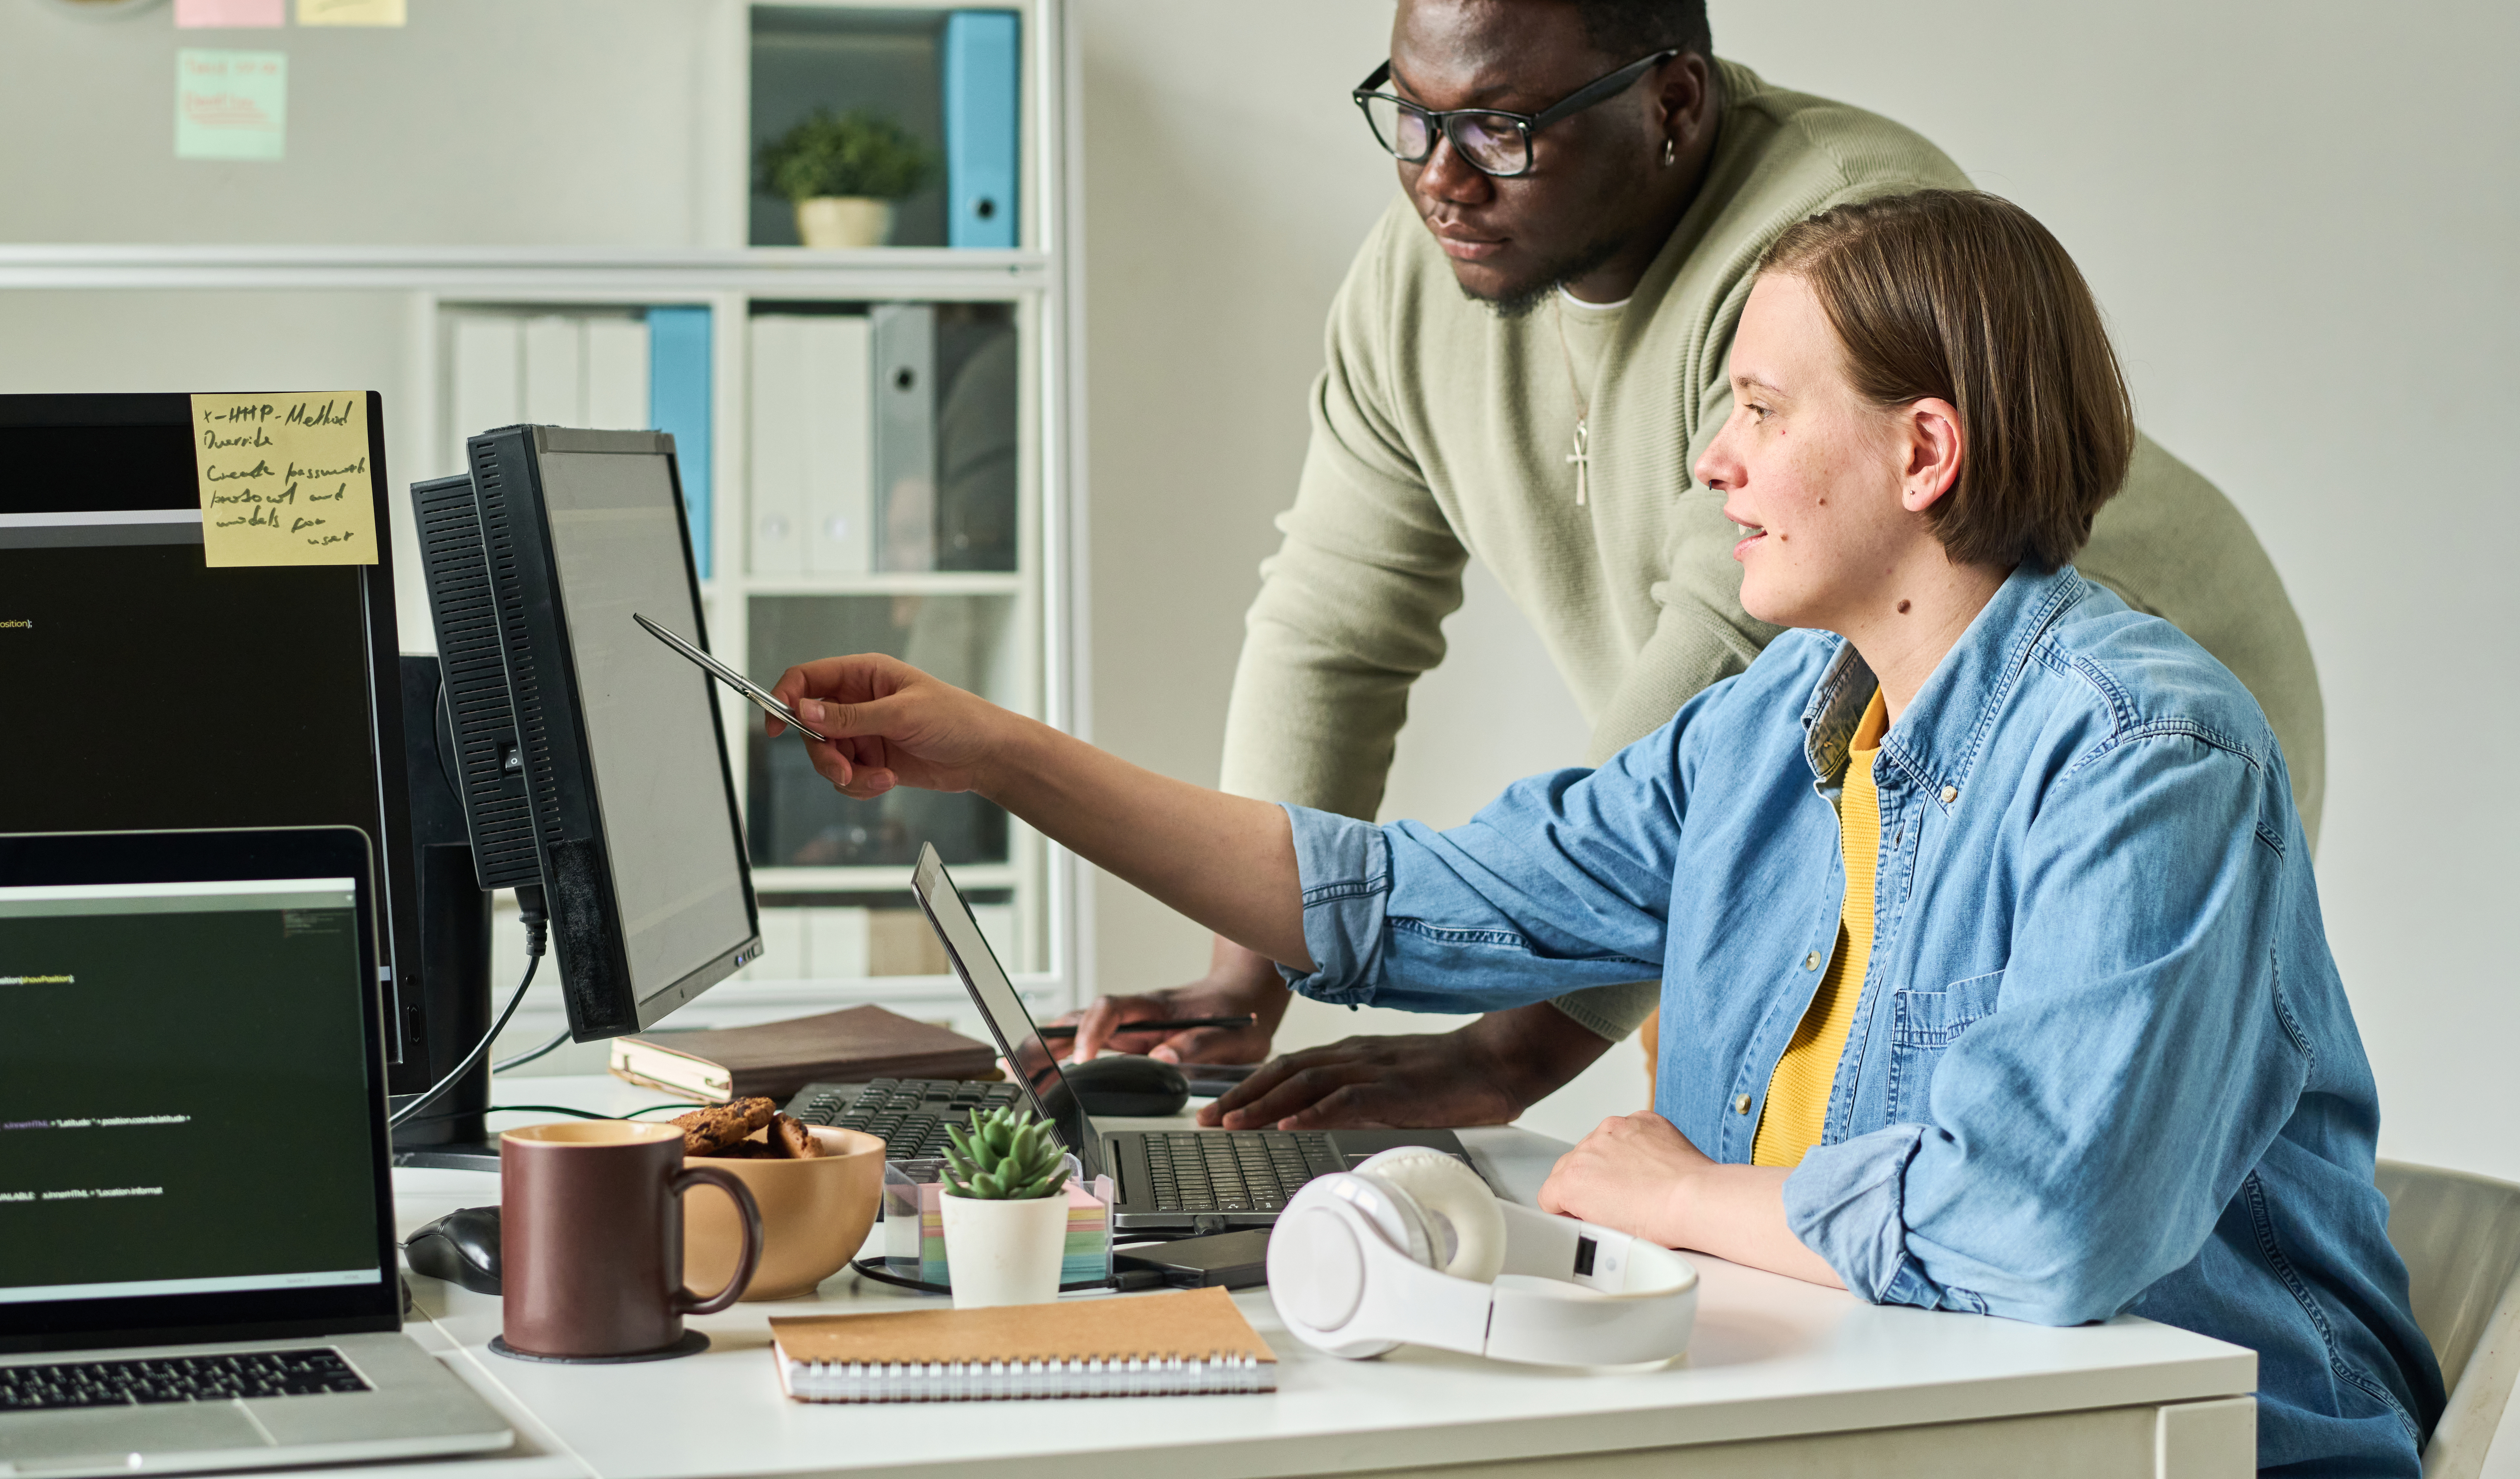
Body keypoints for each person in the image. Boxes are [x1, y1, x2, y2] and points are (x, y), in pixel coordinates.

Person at [767, 192, 2437, 1477]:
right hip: (1871, 1402)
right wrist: (989, 752)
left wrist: (1692, 1193)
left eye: (1766, 412)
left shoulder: (2152, 750)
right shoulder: (1782, 720)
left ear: (1924, 450)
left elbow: (2039, 1228)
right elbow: (1413, 902)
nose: (1714, 461)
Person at [1062, 0, 2326, 1135]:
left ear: (1671, 103)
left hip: (2097, 729)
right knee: (1755, 1150)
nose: (1441, 174)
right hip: (1807, 743)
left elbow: (1721, 675)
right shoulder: (1422, 271)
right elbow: (1335, 619)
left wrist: (1506, 1057)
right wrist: (1241, 982)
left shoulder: (1829, 250)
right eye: (1411, 113)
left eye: (1501, 126)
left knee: (1971, 1166)